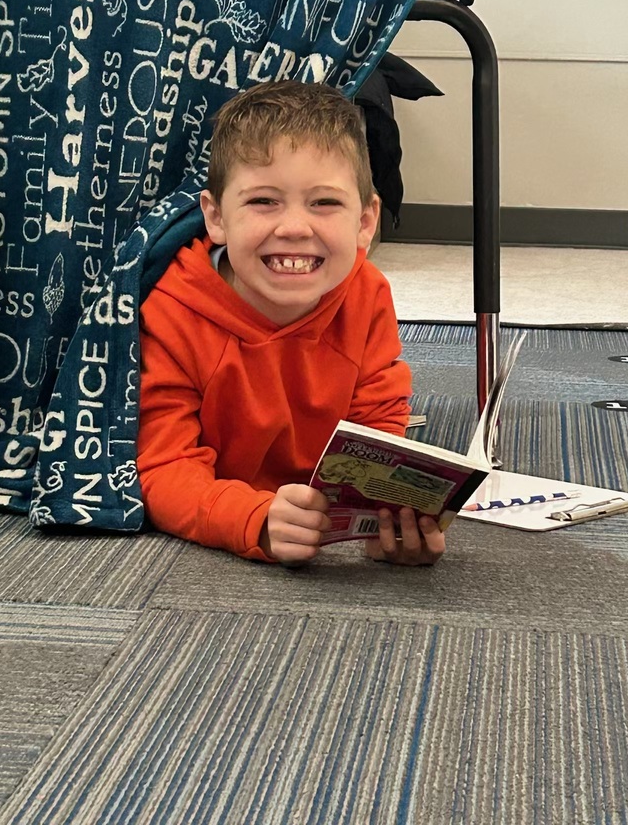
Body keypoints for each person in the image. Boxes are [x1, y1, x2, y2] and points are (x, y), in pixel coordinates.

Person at [136, 80, 446, 566]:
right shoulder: (171, 310)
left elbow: (378, 429)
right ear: (216, 217)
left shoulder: (367, 292)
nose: (295, 228)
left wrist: (384, 517)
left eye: (325, 203)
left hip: (314, 510)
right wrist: (252, 519)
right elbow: (162, 467)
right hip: (225, 520)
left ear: (366, 222)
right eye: (263, 201)